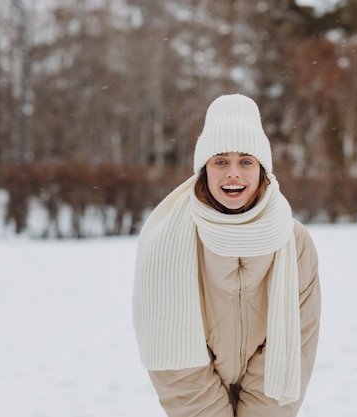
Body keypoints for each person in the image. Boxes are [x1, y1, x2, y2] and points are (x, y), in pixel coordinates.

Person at [132, 94, 321, 417]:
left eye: (246, 161)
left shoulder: (293, 240)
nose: (233, 173)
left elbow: (297, 339)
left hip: (272, 396)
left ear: (262, 170)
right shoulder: (168, 238)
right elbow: (173, 355)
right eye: (220, 161)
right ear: (203, 169)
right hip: (195, 400)